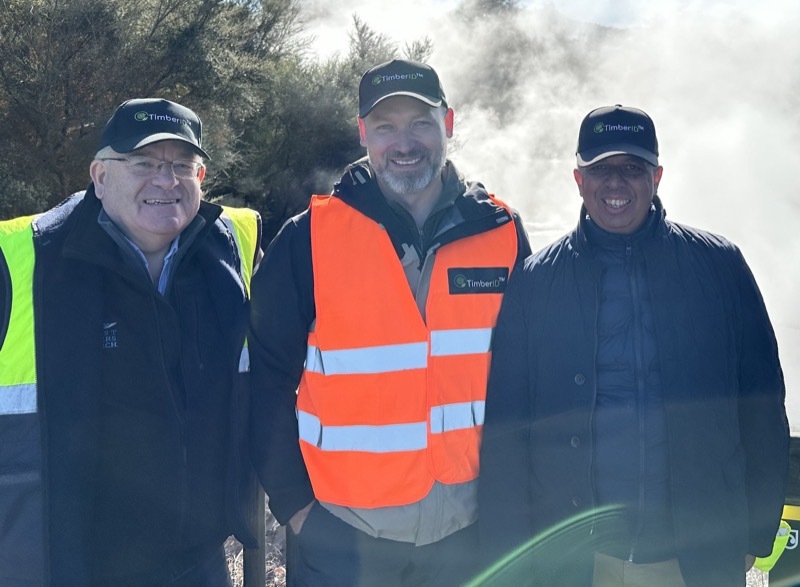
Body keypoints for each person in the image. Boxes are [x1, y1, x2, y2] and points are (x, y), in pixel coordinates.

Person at [478, 104, 789, 586]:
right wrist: (510, 556)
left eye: (632, 168)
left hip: (694, 555)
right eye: (600, 169)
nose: (615, 183)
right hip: (576, 561)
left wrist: (756, 532)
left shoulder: (720, 268)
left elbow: (763, 406)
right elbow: (507, 429)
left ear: (657, 177)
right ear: (578, 180)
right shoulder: (537, 282)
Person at [249, 59, 531, 586]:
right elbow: (265, 380)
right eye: (385, 126)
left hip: (466, 536)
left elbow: (527, 379)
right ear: (363, 133)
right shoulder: (309, 238)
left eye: (421, 123)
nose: (404, 143)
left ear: (448, 123)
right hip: (344, 537)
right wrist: (296, 507)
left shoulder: (501, 232)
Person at [0, 98, 262, 585]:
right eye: (143, 163)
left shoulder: (228, 247)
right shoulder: (24, 260)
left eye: (182, 165)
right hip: (76, 565)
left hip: (200, 558)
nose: (166, 180)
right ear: (100, 177)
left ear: (201, 179)